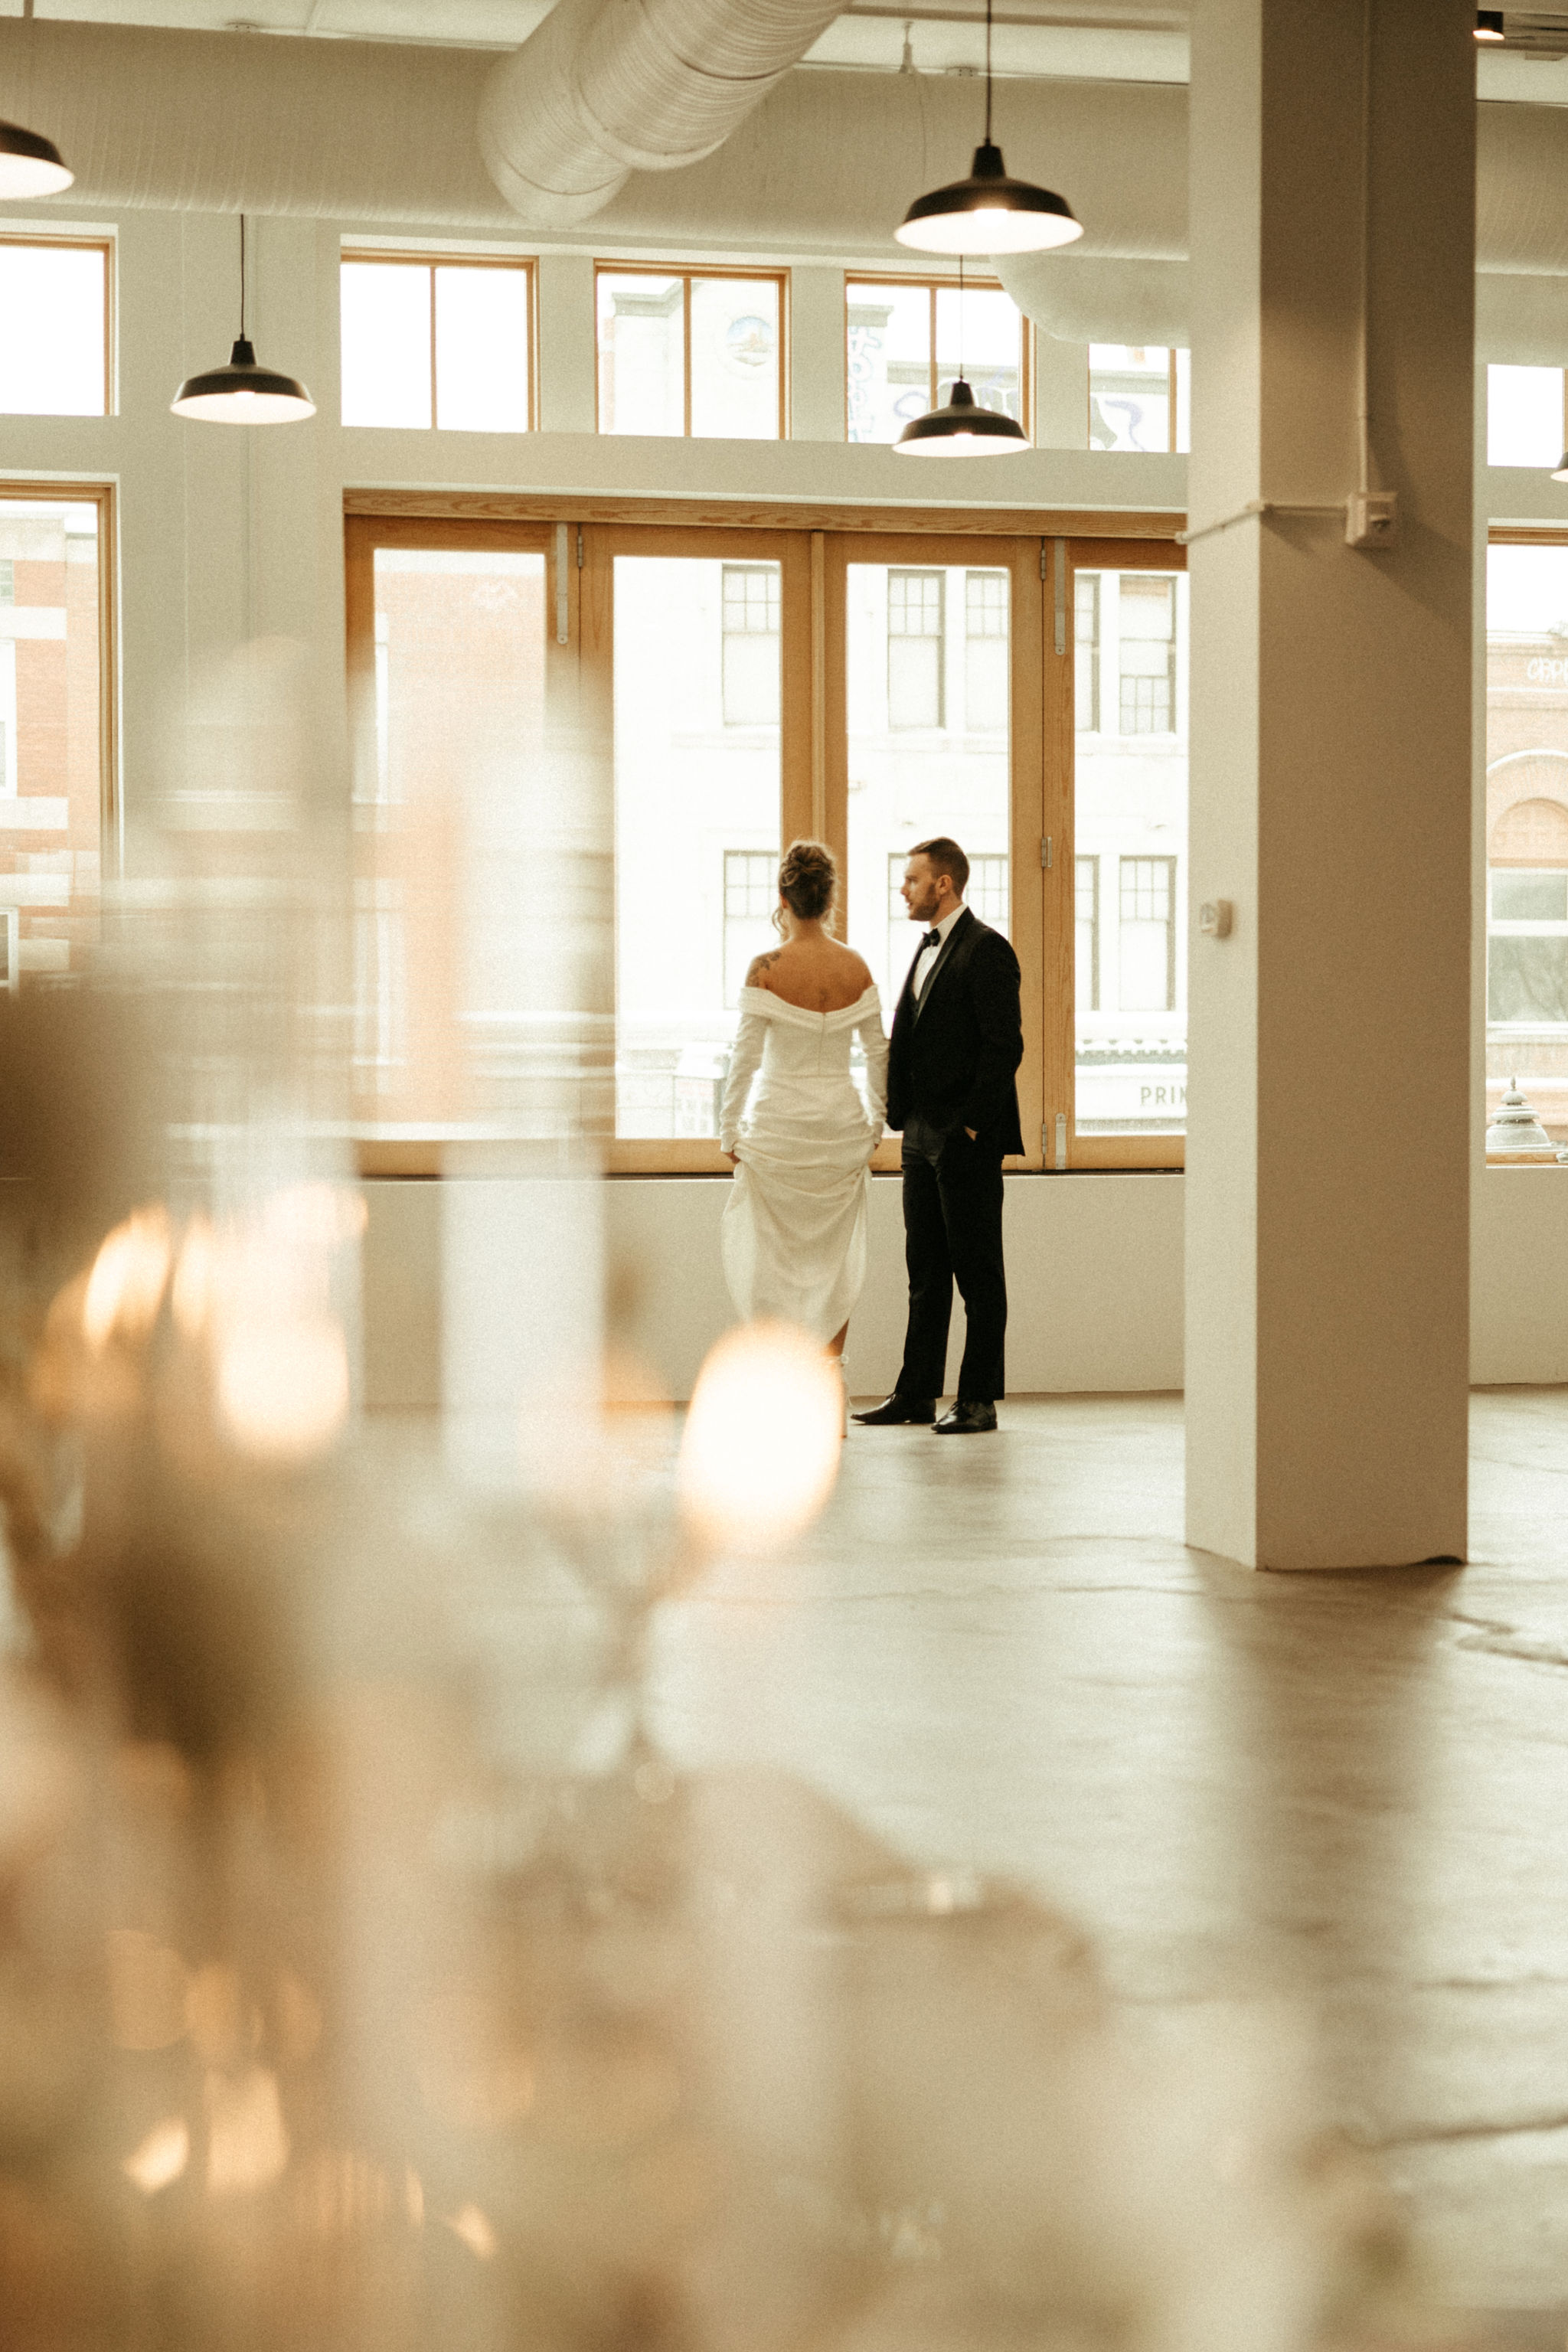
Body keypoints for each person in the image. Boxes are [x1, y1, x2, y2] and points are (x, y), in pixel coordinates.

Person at [851, 837, 1023, 1436]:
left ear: (943, 884)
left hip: (964, 1138)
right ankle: (916, 1392)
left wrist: (970, 1126)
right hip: (920, 1134)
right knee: (924, 1270)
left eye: (912, 879)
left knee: (978, 1273)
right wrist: (902, 1117)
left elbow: (1006, 1048)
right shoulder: (926, 949)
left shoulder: (988, 950)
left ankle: (978, 1400)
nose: (904, 889)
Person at [718, 840, 888, 1392]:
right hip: (839, 1129)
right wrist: (875, 1124)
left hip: (779, 1129)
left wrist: (729, 1130)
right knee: (833, 1261)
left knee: (772, 1262)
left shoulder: (765, 968)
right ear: (829, 897)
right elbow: (879, 1052)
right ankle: (828, 1388)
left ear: (782, 896)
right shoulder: (855, 966)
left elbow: (743, 1058)